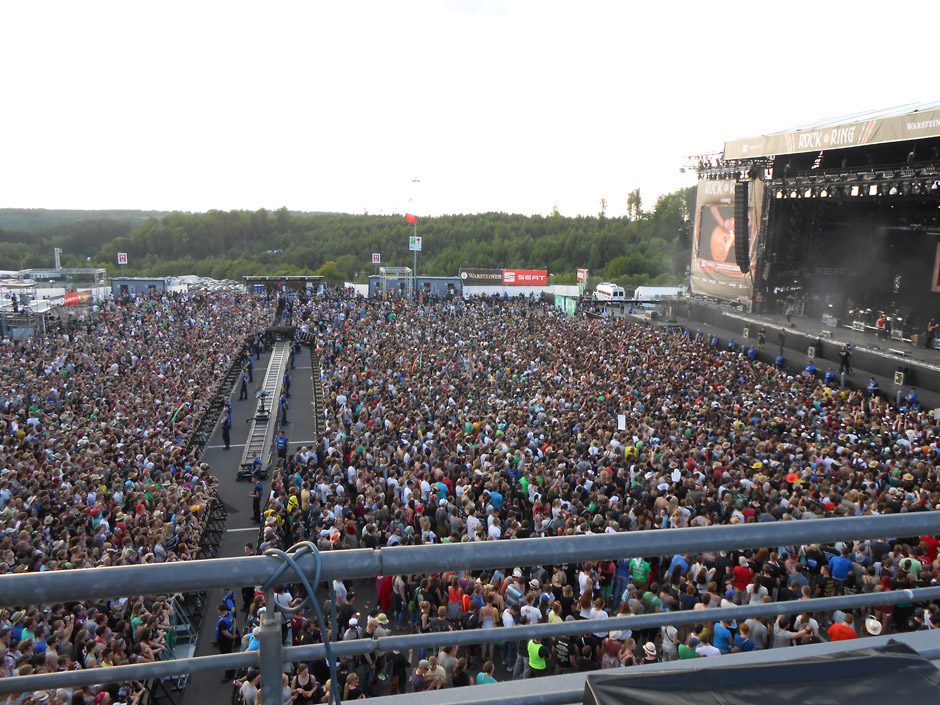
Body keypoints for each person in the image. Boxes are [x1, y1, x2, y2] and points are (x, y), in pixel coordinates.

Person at [214, 603, 237, 683]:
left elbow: (225, 633)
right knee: (229, 653)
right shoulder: (230, 614)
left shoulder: (222, 622)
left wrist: (232, 636)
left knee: (226, 657)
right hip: (229, 640)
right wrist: (233, 633)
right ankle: (232, 669)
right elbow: (234, 621)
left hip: (224, 642)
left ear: (220, 611)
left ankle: (229, 674)